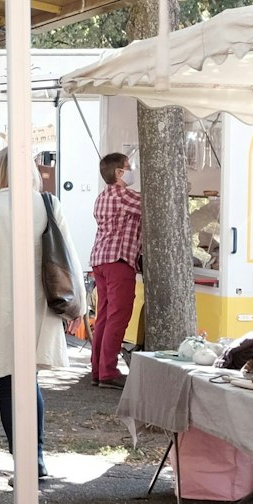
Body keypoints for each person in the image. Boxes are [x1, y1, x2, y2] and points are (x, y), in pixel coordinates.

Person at [0, 150, 68, 482]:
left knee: (8, 384)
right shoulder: (49, 204)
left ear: (0, 171)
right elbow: (67, 255)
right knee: (30, 380)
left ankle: (23, 460)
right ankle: (37, 456)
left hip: (3, 303)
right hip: (41, 301)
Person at [88, 151, 142, 389]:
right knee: (118, 317)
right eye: (128, 167)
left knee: (104, 316)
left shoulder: (102, 197)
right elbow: (153, 206)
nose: (131, 171)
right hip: (119, 260)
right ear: (119, 172)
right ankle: (109, 371)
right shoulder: (124, 196)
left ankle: (98, 368)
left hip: (100, 259)